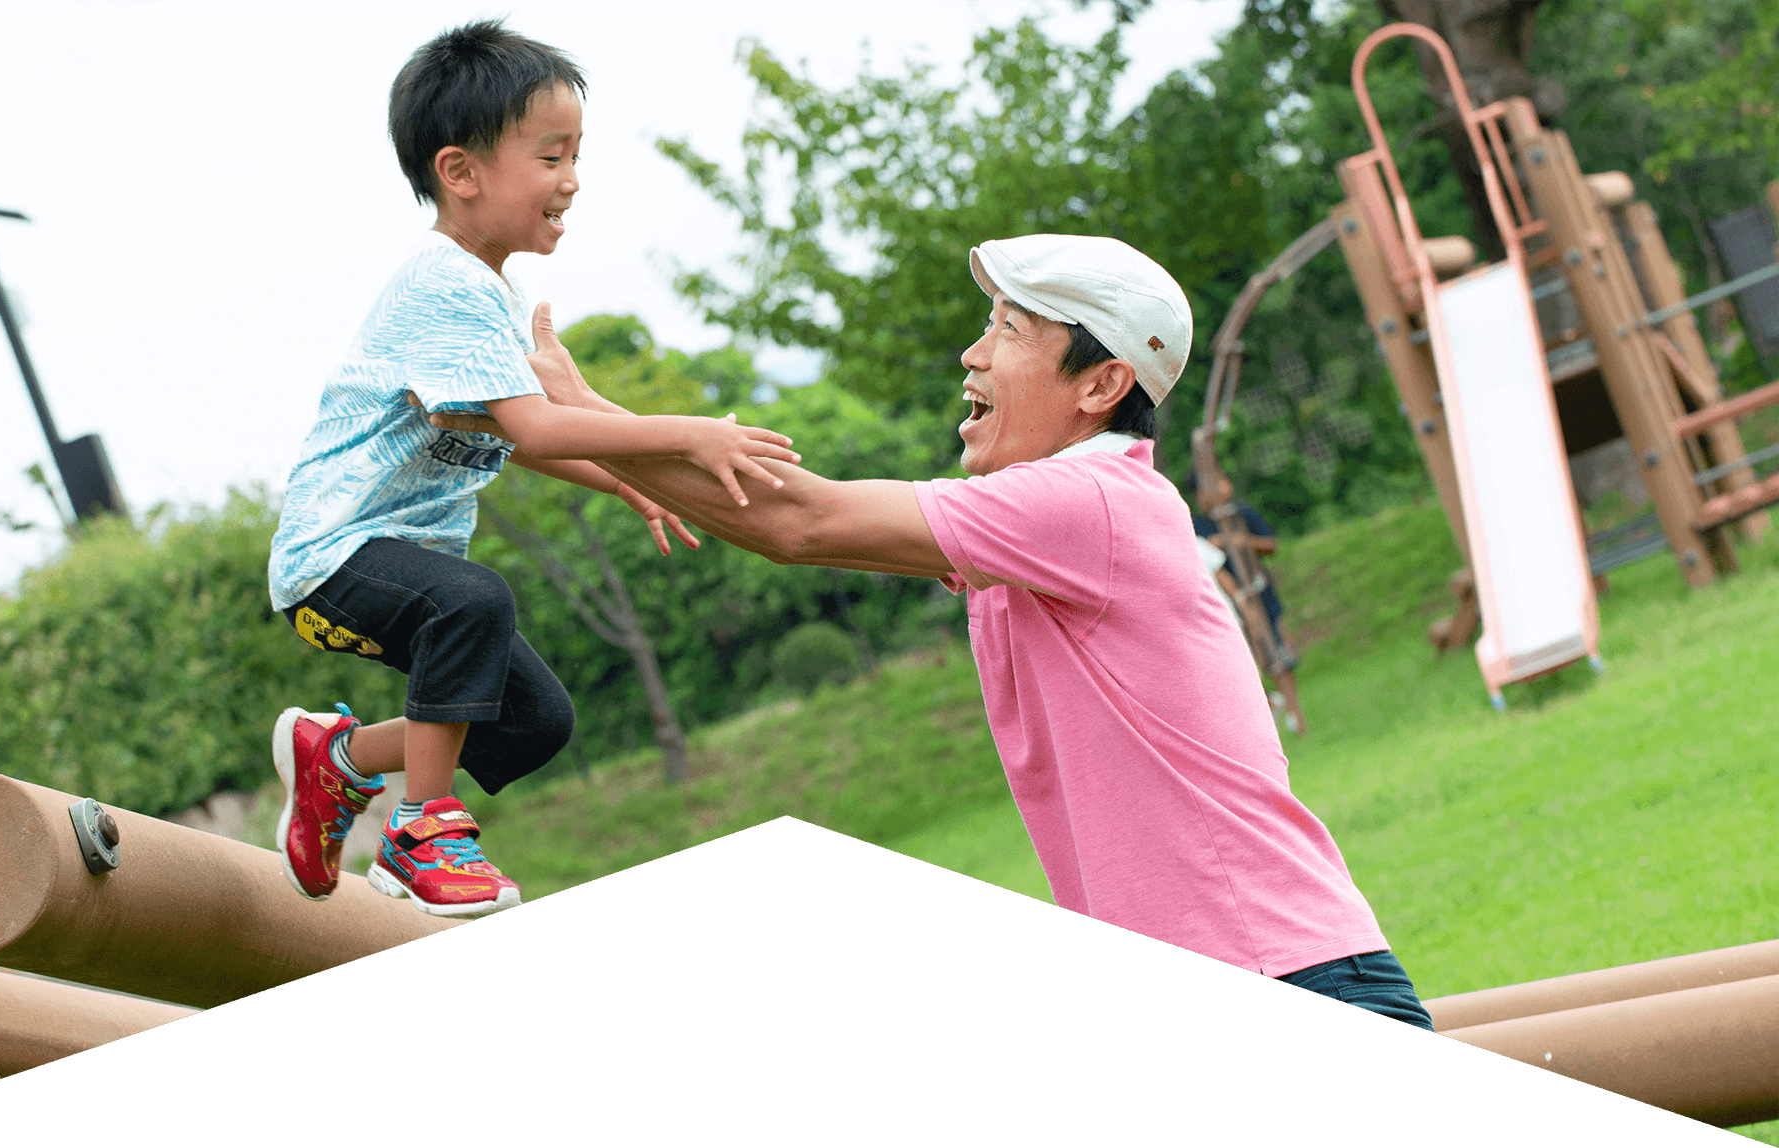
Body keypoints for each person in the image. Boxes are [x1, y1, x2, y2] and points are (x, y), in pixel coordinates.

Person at [444, 233, 1435, 1027]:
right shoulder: (1045, 522)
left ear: (1099, 386)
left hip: (1280, 961)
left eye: (1007, 329)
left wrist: (580, 416)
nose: (971, 352)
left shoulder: (1086, 501)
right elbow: (786, 524)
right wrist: (592, 422)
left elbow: (802, 520)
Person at [264, 21, 798, 919]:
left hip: (402, 561)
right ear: (461, 172)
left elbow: (509, 437)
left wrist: (626, 479)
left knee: (532, 720)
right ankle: (419, 829)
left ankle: (340, 760)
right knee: (472, 599)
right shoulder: (446, 285)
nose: (573, 179)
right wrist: (685, 435)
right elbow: (539, 431)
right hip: (337, 554)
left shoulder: (491, 294)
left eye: (577, 154)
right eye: (551, 156)